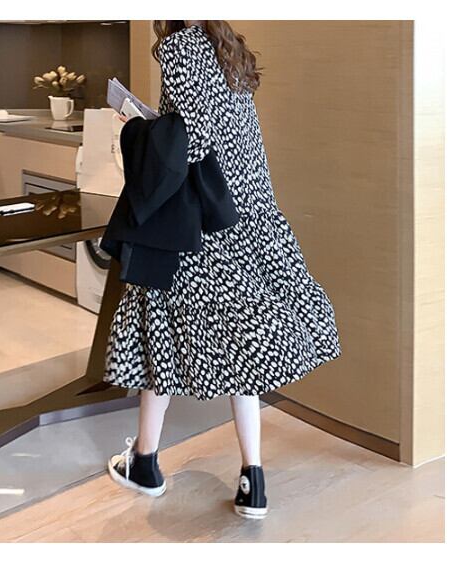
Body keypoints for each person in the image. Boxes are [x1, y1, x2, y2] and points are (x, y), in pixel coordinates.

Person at [103, 20, 342, 519]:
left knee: (158, 333)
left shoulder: (181, 46)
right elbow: (224, 135)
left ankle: (145, 462)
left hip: (204, 228)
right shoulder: (227, 48)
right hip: (249, 215)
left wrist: (134, 127)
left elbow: (189, 142)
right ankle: (253, 478)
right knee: (243, 344)